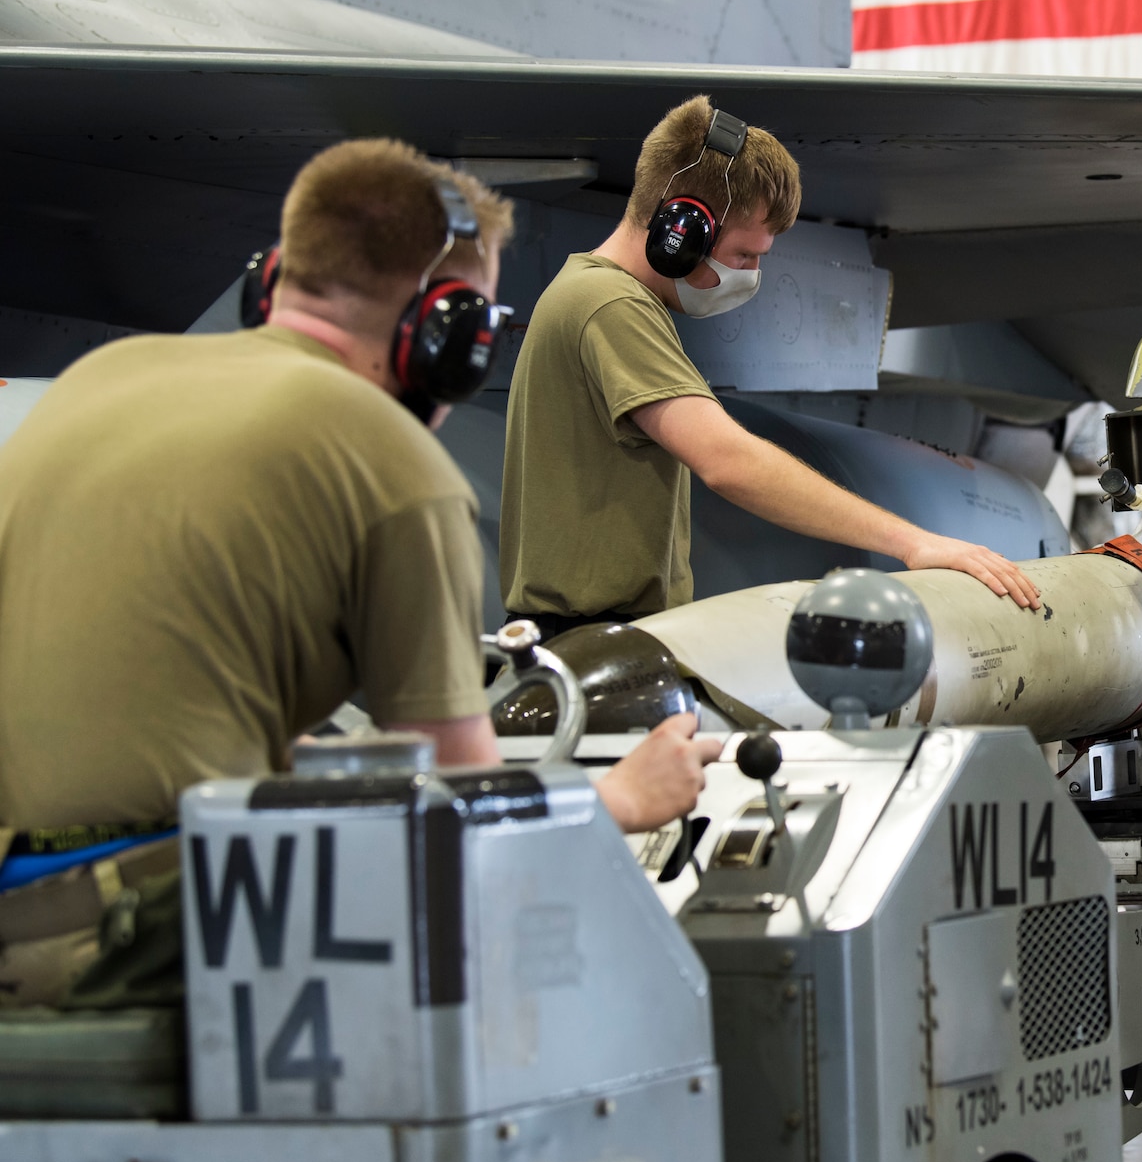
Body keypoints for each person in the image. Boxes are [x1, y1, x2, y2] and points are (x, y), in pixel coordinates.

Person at [0, 139, 717, 1024]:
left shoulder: (95, 381)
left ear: (273, 286)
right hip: (136, 932)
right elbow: (465, 821)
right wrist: (619, 798)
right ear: (443, 335)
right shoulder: (392, 462)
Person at [500, 95, 1039, 638]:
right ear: (681, 231)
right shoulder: (611, 305)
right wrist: (915, 542)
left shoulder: (591, 293)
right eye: (744, 255)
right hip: (589, 640)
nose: (752, 276)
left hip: (597, 636)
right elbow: (728, 462)